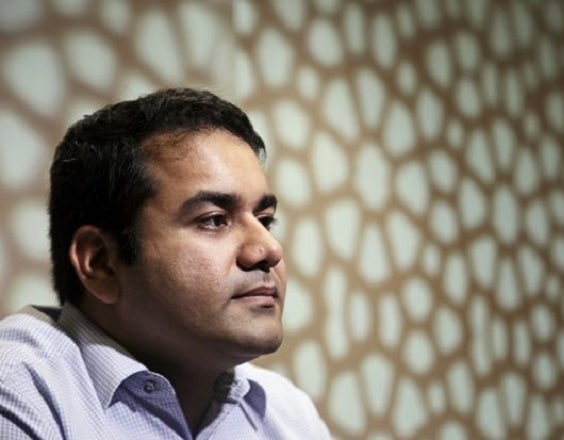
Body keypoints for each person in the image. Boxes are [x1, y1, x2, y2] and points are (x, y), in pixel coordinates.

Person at [0, 88, 332, 439]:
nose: (269, 249)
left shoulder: (287, 412)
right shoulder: (17, 389)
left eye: (265, 220)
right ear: (101, 263)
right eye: (214, 220)